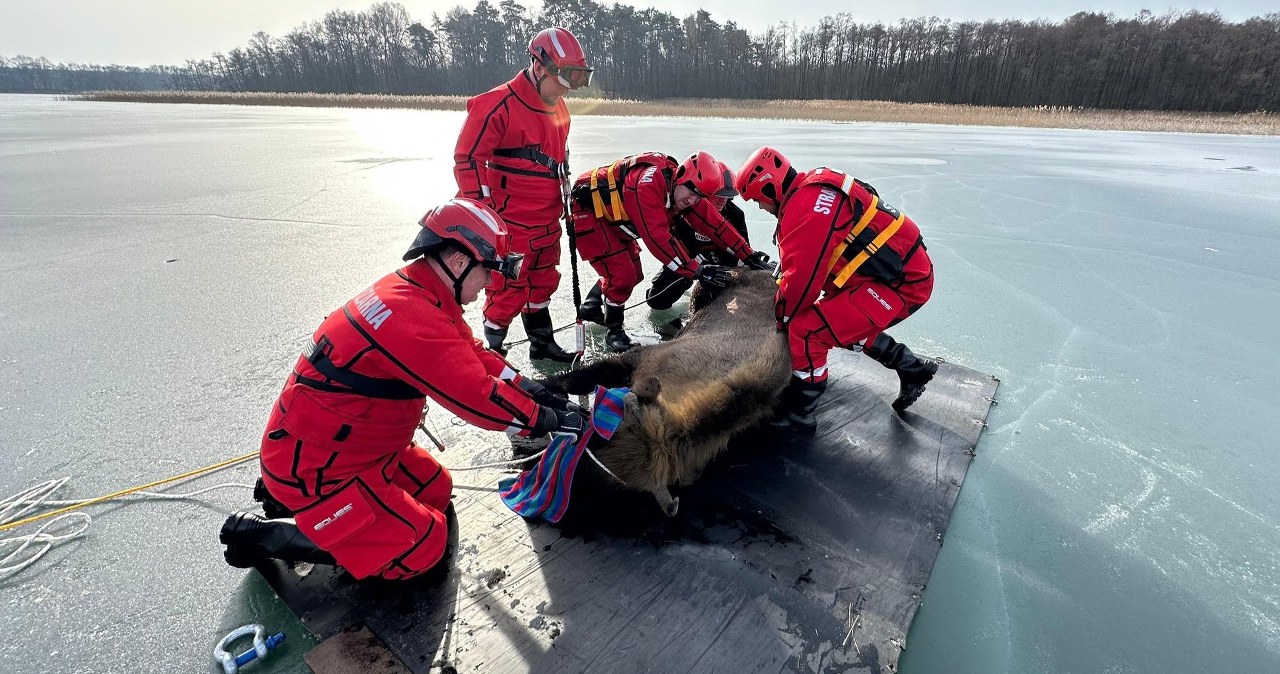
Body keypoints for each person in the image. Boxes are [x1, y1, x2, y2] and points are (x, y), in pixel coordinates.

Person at [220, 199, 587, 580]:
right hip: (316, 468)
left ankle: (297, 503)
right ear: (459, 262)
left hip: (355, 451)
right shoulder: (409, 316)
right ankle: (272, 535)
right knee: (423, 545)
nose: (491, 284)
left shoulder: (419, 291)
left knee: (436, 488)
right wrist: (550, 420)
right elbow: (478, 398)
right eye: (489, 270)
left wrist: (534, 389)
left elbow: (473, 355)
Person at [734, 147, 938, 431]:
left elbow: (802, 287)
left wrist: (780, 318)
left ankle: (800, 411)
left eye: (758, 200)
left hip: (902, 285)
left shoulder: (805, 209)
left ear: (769, 188)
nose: (760, 207)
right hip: (886, 274)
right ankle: (912, 368)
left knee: (807, 331)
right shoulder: (812, 189)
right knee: (836, 323)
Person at [453, 27, 594, 363]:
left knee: (544, 280)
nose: (567, 90)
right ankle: (493, 352)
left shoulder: (560, 109)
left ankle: (541, 344)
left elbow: (558, 161)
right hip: (510, 224)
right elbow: (467, 158)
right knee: (507, 290)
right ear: (540, 66)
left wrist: (566, 204)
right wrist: (483, 214)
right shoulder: (496, 105)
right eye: (564, 81)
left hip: (547, 220)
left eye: (574, 83)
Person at [568, 151, 773, 350]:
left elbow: (715, 224)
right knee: (622, 275)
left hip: (615, 221)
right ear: (681, 176)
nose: (691, 202)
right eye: (692, 194)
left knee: (634, 275)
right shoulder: (647, 187)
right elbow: (659, 241)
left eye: (698, 198)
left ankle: (592, 305)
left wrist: (748, 255)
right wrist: (698, 271)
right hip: (592, 216)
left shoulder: (684, 189)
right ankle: (614, 331)